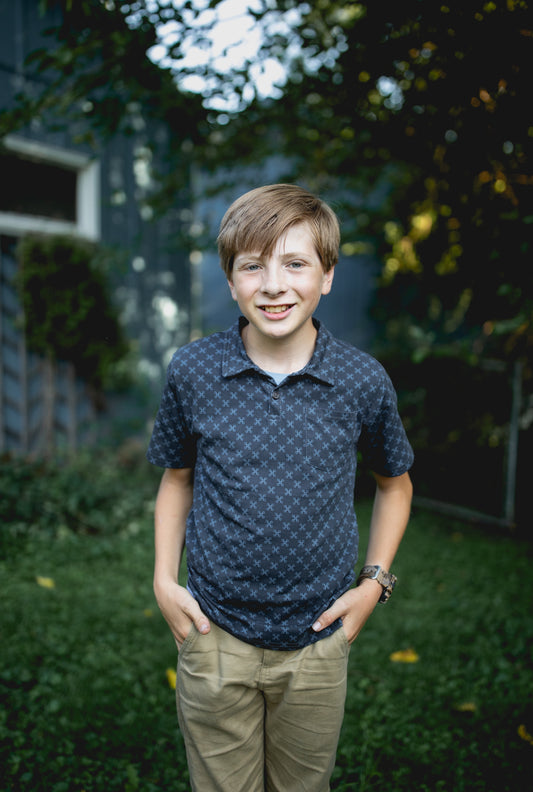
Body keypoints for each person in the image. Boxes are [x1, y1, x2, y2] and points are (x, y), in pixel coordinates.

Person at [147, 183, 414, 792]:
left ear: (327, 276)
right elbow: (176, 478)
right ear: (231, 277)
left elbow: (394, 487)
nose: (273, 284)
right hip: (214, 634)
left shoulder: (362, 381)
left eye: (295, 263)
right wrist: (165, 580)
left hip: (319, 639)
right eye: (253, 265)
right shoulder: (193, 371)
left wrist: (373, 584)